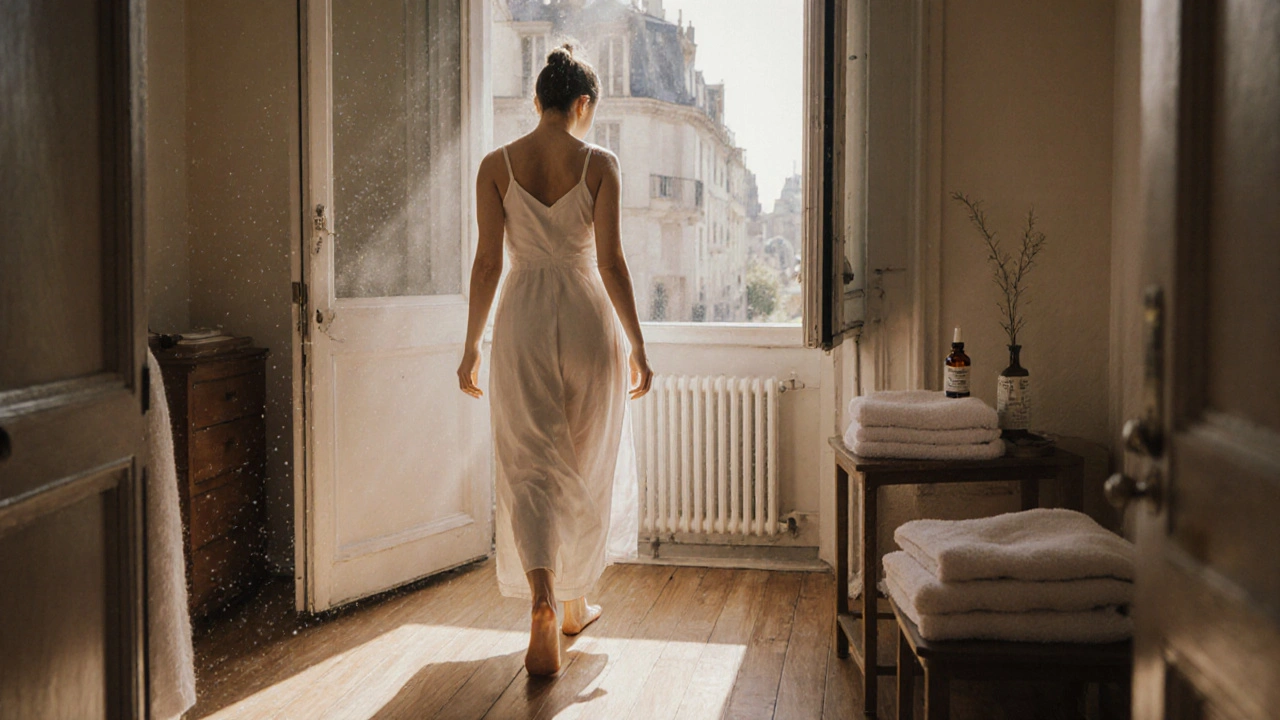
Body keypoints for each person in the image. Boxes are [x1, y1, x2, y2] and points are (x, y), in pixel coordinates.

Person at [456, 44, 652, 676]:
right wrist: (638, 345)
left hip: (523, 319)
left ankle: (545, 600)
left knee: (530, 465)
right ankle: (574, 604)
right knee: (583, 459)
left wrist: (471, 346)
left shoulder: (495, 165)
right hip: (587, 318)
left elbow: (487, 264)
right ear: (582, 104)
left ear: (536, 100)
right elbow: (611, 263)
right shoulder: (600, 163)